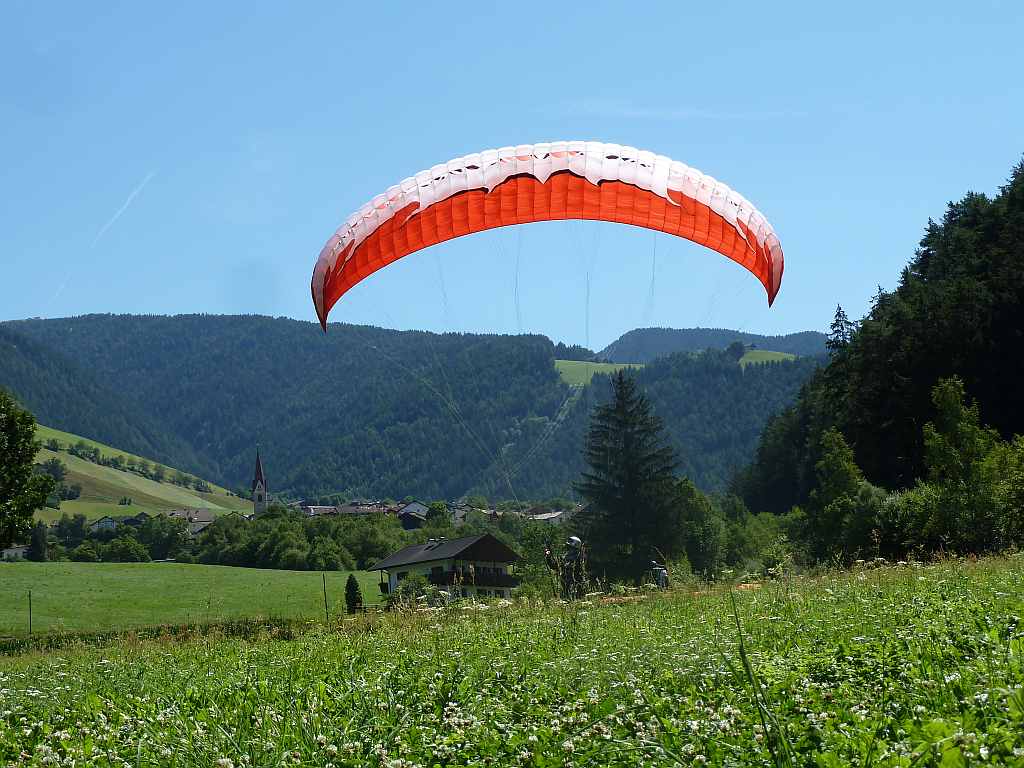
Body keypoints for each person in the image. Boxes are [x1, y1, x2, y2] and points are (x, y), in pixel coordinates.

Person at [545, 535, 586, 600]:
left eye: (570, 547)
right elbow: (554, 566)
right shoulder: (565, 558)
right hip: (565, 588)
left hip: (576, 588)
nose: (568, 549)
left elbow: (578, 571)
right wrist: (548, 557)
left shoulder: (579, 558)